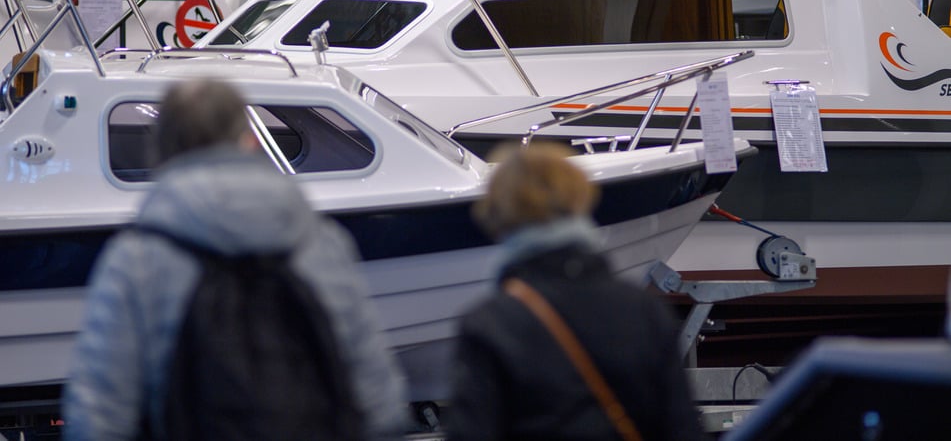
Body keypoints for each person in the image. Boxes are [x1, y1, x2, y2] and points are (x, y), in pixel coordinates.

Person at [64, 77, 407, 440]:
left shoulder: (136, 259)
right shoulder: (322, 242)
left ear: (161, 152)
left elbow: (99, 414)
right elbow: (379, 399)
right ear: (251, 141)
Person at [448, 143, 706, 441]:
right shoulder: (642, 310)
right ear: (580, 200)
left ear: (497, 213)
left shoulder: (492, 323)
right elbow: (681, 428)